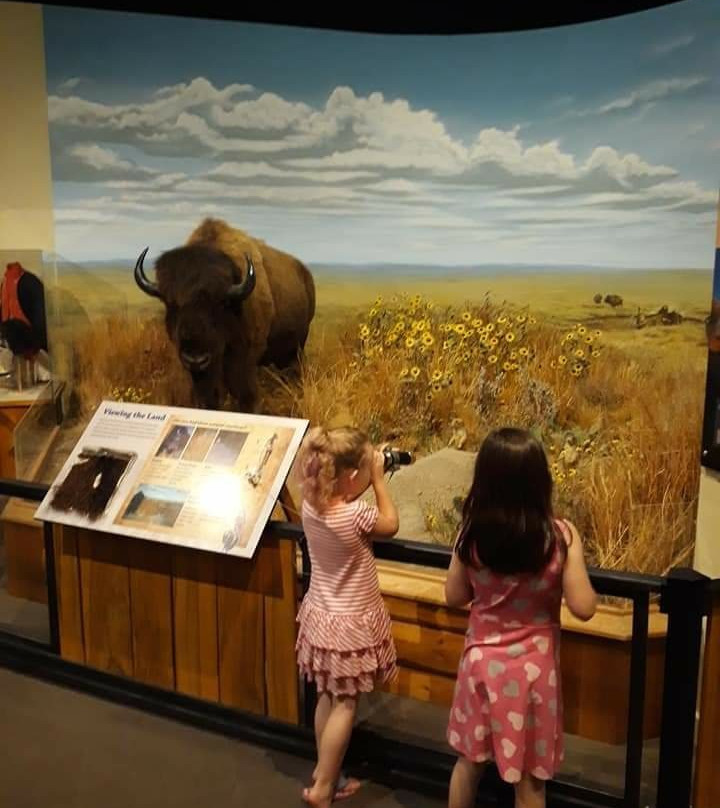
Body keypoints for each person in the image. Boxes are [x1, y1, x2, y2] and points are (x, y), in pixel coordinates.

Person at [445, 427, 597, 808]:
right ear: (539, 481)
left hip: (481, 665)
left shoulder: (472, 534)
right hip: (533, 676)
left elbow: (455, 595)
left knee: (468, 763)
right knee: (530, 779)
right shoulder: (560, 537)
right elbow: (585, 606)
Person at [295, 425, 400, 807]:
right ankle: (323, 790)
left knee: (326, 694)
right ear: (354, 477)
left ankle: (328, 774)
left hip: (321, 615)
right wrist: (379, 481)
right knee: (346, 703)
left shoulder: (311, 504)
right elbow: (390, 523)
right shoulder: (355, 515)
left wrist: (363, 475)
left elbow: (340, 493)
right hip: (350, 623)